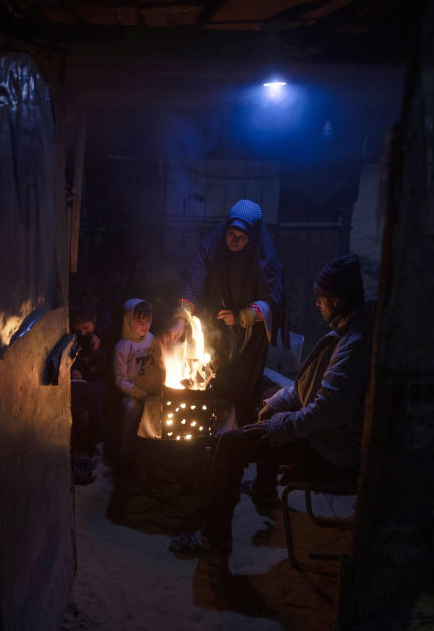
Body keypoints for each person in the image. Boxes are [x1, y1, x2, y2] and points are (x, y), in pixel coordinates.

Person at [169, 254, 371, 557]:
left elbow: (326, 411)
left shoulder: (353, 344)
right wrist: (277, 404)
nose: (318, 304)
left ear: (338, 300)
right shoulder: (349, 329)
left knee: (231, 443)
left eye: (322, 298)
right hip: (326, 434)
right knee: (267, 398)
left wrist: (275, 427)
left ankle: (214, 537)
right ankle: (263, 488)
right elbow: (310, 389)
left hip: (333, 449)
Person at [163, 199, 288, 426]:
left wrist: (242, 316)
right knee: (212, 376)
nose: (235, 240)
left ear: (252, 236)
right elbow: (195, 281)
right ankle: (207, 427)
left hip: (249, 334)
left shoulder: (265, 260)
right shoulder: (212, 247)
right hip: (216, 322)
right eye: (231, 233)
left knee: (241, 385)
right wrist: (181, 318)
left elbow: (273, 301)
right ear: (225, 229)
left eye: (242, 236)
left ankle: (239, 435)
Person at [113, 299, 165, 462]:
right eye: (139, 322)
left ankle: (157, 452)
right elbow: (120, 379)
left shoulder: (153, 340)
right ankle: (126, 452)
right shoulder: (123, 346)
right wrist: (137, 392)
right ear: (129, 321)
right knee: (132, 409)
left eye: (147, 321)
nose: (144, 326)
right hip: (133, 393)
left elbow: (162, 365)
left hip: (154, 391)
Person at [69, 305, 109, 485]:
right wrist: (75, 371)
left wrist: (95, 352)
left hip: (92, 385)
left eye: (86, 328)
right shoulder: (71, 339)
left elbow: (102, 370)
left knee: (96, 395)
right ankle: (83, 456)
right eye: (79, 329)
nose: (83, 332)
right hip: (76, 386)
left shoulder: (98, 339)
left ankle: (92, 449)